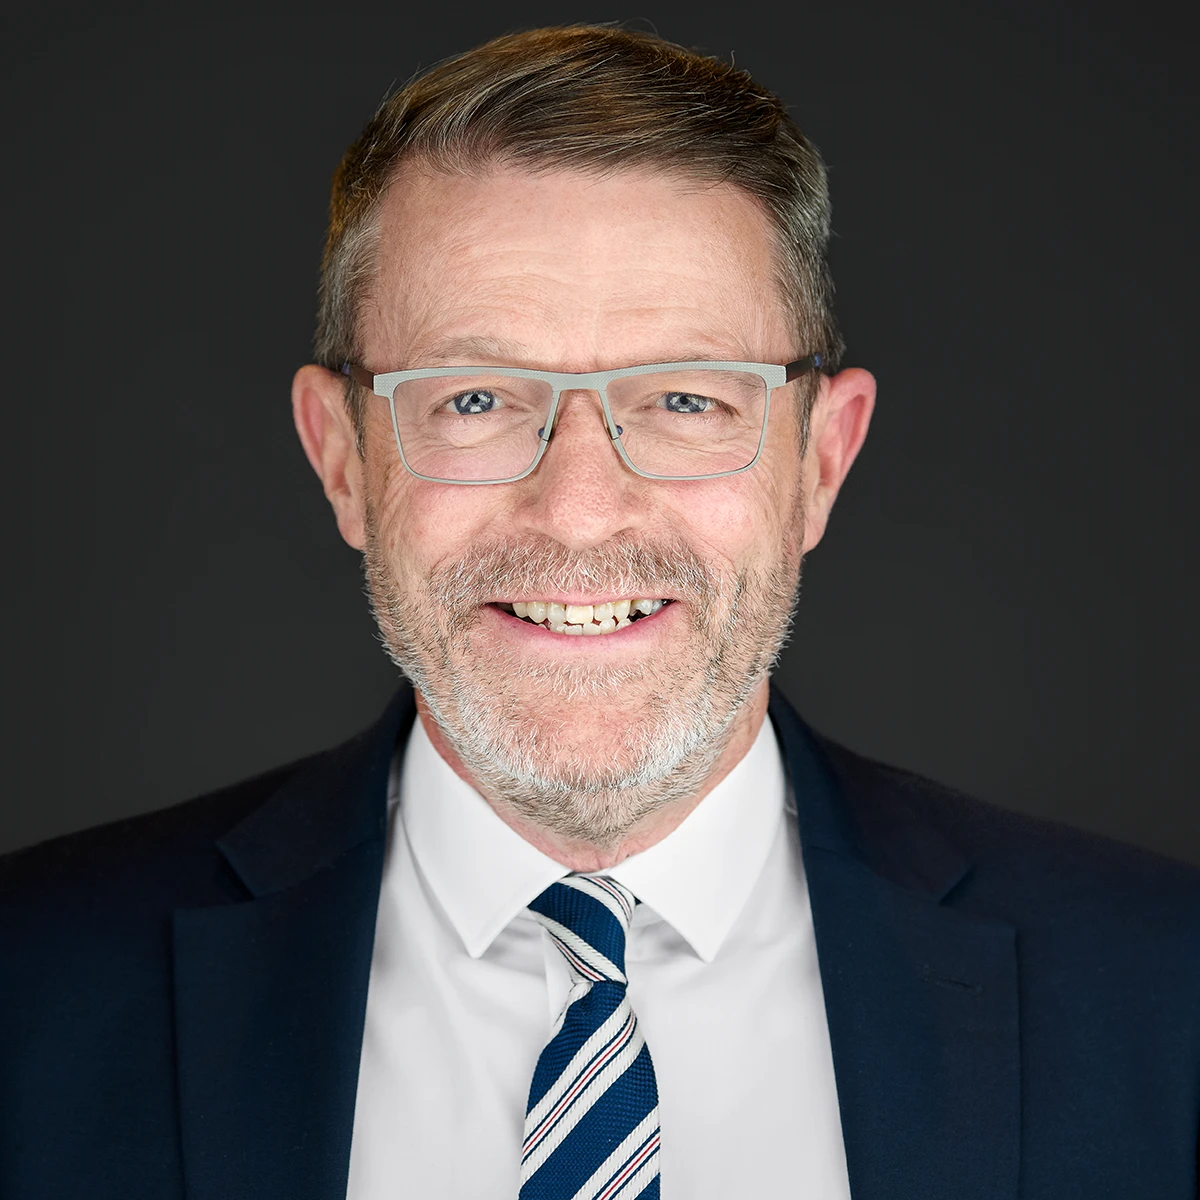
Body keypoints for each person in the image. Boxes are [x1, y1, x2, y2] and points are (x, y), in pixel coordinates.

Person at [2, 23, 1197, 1200]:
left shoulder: (1163, 992)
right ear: (343, 461)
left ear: (819, 464)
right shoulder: (31, 989)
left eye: (685, 398)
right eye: (473, 398)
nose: (577, 513)